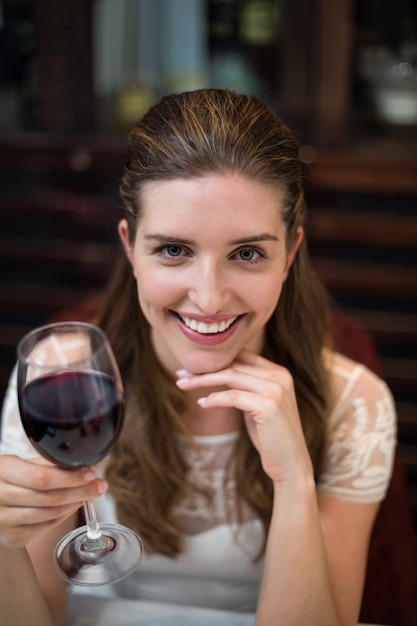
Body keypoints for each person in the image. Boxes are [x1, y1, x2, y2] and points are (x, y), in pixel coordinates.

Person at [0, 89, 396, 626]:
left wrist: (294, 481)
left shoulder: (356, 403)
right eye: (173, 250)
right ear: (129, 247)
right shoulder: (61, 378)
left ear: (291, 255)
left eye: (248, 253)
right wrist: (5, 544)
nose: (209, 298)